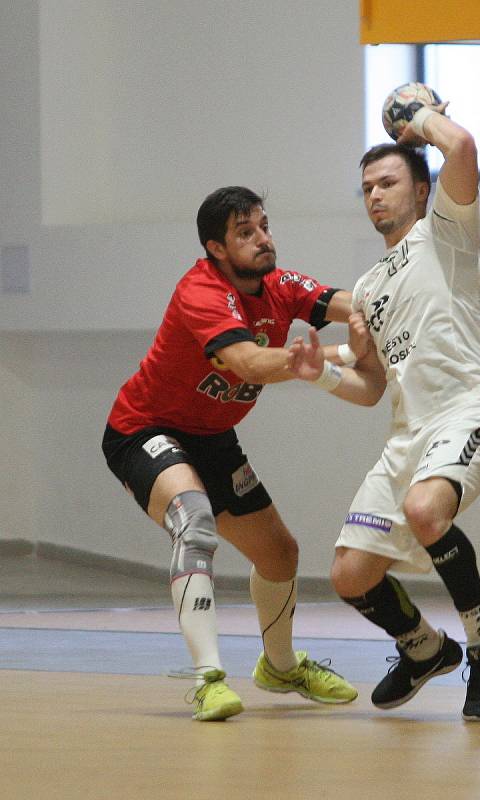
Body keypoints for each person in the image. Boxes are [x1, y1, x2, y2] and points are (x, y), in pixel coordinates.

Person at [288, 101, 480, 721]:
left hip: (468, 412)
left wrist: (418, 117)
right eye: (366, 188)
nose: (374, 196)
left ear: (420, 189)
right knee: (349, 575)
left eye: (387, 183)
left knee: (424, 510)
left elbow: (461, 148)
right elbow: (368, 385)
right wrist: (323, 371)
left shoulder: (446, 231)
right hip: (407, 434)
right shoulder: (364, 288)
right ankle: (423, 649)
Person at [102, 186, 362, 720]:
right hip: (144, 429)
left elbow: (358, 306)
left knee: (280, 554)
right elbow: (248, 363)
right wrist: (341, 353)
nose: (263, 239)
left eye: (264, 226)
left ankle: (282, 667)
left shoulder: (280, 284)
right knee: (193, 520)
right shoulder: (202, 291)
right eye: (246, 233)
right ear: (216, 248)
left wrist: (406, 311)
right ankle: (208, 678)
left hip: (213, 438)